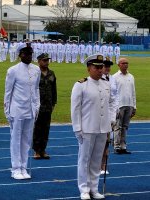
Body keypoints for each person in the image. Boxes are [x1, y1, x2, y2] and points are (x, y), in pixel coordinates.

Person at [71, 54, 114, 200]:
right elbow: (75, 109)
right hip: (87, 128)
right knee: (84, 160)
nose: (100, 70)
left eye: (101, 67)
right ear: (89, 68)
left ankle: (94, 188)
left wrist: (112, 119)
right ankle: (84, 189)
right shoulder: (81, 85)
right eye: (96, 67)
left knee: (96, 160)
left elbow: (113, 102)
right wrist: (77, 128)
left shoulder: (106, 84)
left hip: (103, 128)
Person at [4, 43, 41, 180]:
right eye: (25, 54)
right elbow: (8, 92)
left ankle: (23, 167)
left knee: (26, 140)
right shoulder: (13, 70)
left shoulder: (36, 70)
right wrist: (7, 110)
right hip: (17, 109)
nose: (29, 56)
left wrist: (37, 105)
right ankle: (16, 168)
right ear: (20, 55)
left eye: (30, 53)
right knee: (16, 139)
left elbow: (36, 89)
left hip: (31, 109)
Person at [32, 53, 57, 160]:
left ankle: (43, 149)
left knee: (46, 129)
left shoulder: (51, 73)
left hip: (48, 106)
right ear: (39, 61)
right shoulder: (35, 73)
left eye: (47, 60)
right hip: (38, 106)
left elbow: (54, 89)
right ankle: (37, 150)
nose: (46, 62)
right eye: (44, 60)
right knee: (37, 128)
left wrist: (54, 102)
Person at [113, 58, 136, 154]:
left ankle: (123, 146)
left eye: (127, 63)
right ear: (119, 65)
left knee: (125, 127)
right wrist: (115, 107)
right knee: (118, 126)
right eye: (123, 63)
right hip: (119, 105)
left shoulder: (131, 76)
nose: (126, 65)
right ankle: (117, 146)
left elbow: (133, 92)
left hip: (129, 105)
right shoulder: (114, 77)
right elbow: (113, 94)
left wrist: (134, 106)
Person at [100, 58, 117, 175]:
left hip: (109, 114)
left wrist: (113, 116)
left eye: (109, 66)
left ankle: (104, 166)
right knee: (98, 143)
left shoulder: (113, 79)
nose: (107, 68)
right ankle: (97, 165)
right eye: (105, 66)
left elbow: (115, 98)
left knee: (107, 142)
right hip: (99, 115)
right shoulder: (97, 80)